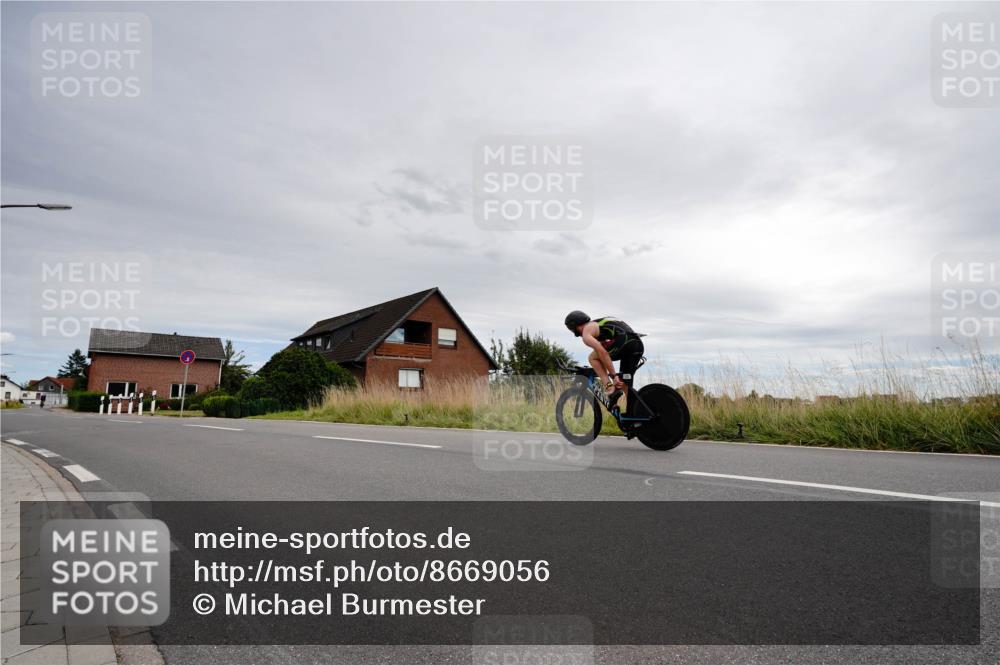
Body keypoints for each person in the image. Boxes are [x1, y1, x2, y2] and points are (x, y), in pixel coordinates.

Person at [564, 311, 644, 411]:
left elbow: (603, 353)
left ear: (575, 326)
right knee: (624, 383)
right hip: (637, 345)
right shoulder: (598, 324)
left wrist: (614, 376)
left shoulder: (586, 332)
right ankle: (634, 414)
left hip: (625, 343)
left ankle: (610, 388)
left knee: (592, 357)